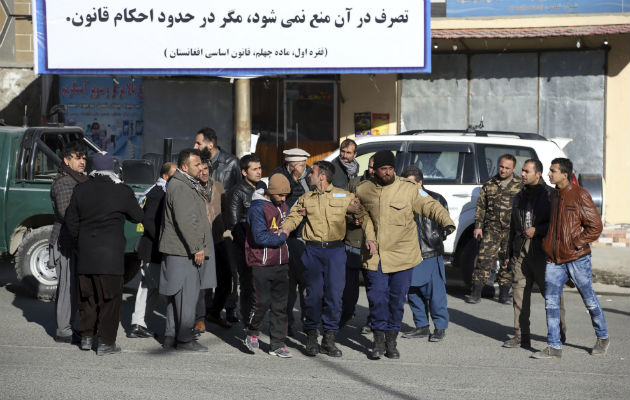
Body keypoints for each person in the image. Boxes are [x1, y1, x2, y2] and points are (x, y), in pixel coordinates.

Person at [355, 150, 455, 359]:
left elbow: (429, 204)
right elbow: (360, 214)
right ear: (375, 171)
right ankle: (378, 340)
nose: (388, 173)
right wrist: (365, 232)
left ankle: (391, 342)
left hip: (402, 255)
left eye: (391, 169)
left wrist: (446, 220)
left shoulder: (408, 189)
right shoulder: (364, 190)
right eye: (384, 169)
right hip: (376, 256)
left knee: (396, 300)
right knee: (377, 299)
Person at [279, 161, 360, 357]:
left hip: (335, 252)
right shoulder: (306, 198)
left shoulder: (343, 196)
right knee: (312, 295)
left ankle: (329, 339)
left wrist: (355, 215)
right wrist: (285, 229)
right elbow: (293, 216)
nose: (309, 175)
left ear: (322, 176)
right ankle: (311, 337)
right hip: (313, 251)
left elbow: (359, 211)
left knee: (334, 296)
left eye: (312, 172)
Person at [65, 153, 143, 355]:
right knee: (110, 299)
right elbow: (137, 217)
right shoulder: (122, 190)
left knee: (87, 298)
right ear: (113, 169)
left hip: (87, 255)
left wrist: (81, 241)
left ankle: (86, 337)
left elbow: (71, 221)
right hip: (111, 256)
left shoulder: (81, 189)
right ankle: (106, 342)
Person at [533, 158, 608, 359]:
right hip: (554, 259)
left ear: (564, 174)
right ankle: (554, 346)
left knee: (589, 299)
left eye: (553, 171)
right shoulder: (554, 195)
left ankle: (602, 337)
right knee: (551, 303)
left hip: (577, 258)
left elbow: (596, 227)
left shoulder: (580, 195)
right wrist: (548, 244)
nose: (549, 174)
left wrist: (575, 243)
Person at [503, 159, 566, 349]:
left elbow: (559, 223)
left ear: (537, 174)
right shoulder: (519, 196)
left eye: (526, 171)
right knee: (519, 295)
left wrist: (537, 230)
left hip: (543, 251)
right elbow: (513, 227)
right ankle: (521, 335)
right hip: (521, 251)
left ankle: (558, 334)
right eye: (521, 171)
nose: (522, 174)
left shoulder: (551, 195)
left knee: (552, 295)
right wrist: (508, 253)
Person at [159, 149, 216, 352]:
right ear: (184, 167)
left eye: (202, 164)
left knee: (177, 296)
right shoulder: (182, 187)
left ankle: (171, 336)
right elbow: (186, 221)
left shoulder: (184, 183)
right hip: (183, 251)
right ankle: (184, 339)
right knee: (185, 297)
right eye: (196, 164)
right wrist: (197, 248)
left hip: (180, 250)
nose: (201, 167)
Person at [244, 174, 292, 358]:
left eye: (285, 195)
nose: (283, 199)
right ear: (270, 192)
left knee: (280, 306)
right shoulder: (257, 209)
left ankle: (277, 344)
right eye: (280, 195)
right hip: (261, 262)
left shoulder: (283, 205)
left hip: (281, 261)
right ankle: (251, 331)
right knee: (261, 302)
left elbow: (287, 224)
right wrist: (282, 236)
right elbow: (260, 237)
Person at [400, 166, 450, 342]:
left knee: (436, 294)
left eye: (411, 183)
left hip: (430, 252)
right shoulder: (402, 199)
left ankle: (440, 327)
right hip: (408, 254)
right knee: (413, 292)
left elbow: (446, 224)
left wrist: (436, 237)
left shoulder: (436, 199)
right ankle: (421, 325)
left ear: (420, 182)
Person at [128, 162, 176, 339]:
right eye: (174, 174)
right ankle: (138, 324)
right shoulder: (158, 193)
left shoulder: (157, 191)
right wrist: (163, 241)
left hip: (153, 248)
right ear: (165, 176)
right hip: (152, 248)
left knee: (151, 288)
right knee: (147, 287)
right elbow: (148, 221)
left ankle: (140, 324)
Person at [466, 154, 522, 304]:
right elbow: (481, 207)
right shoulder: (489, 183)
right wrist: (478, 227)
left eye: (507, 168)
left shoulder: (520, 185)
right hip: (492, 228)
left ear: (513, 169)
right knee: (484, 259)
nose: (503, 170)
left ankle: (504, 294)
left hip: (511, 231)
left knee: (507, 261)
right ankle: (476, 293)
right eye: (501, 167)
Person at [270, 148, 313, 336]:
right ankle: (286, 323)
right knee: (287, 287)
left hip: (307, 238)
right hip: (288, 238)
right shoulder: (279, 177)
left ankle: (308, 321)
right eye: (301, 166)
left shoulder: (309, 175)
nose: (305, 169)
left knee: (307, 284)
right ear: (291, 165)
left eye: (305, 165)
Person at [49, 140, 88, 343]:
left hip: (76, 238)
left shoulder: (80, 179)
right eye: (77, 158)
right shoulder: (65, 181)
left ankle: (71, 325)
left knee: (75, 286)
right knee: (67, 287)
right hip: (67, 239)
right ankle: (63, 330)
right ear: (66, 159)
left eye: (84, 158)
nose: (82, 161)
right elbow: (66, 214)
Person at [226, 154, 266, 323]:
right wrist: (250, 247)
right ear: (244, 172)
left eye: (260, 168)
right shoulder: (236, 192)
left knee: (262, 285)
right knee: (247, 284)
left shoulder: (263, 186)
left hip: (264, 243)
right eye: (254, 169)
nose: (259, 172)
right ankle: (247, 320)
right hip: (245, 246)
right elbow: (235, 226)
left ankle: (257, 317)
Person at [194, 159, 232, 336]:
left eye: (206, 168)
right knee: (202, 284)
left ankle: (214, 312)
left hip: (218, 239)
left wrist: (224, 227)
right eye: (200, 168)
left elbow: (224, 209)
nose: (204, 172)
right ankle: (199, 318)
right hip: (201, 242)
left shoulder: (217, 186)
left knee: (226, 280)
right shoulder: (191, 187)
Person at [193, 127, 240, 191]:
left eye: (198, 143)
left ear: (210, 145)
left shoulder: (232, 162)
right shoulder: (197, 163)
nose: (195, 147)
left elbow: (240, 190)